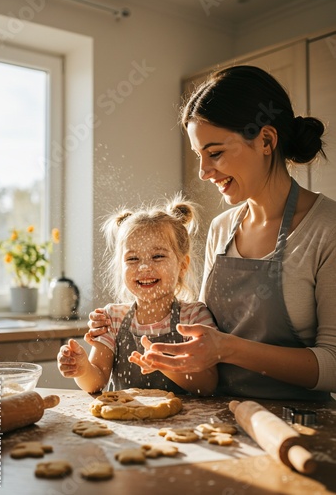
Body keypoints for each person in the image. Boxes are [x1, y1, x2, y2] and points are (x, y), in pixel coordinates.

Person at [136, 65, 336, 400]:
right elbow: (204, 336)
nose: (203, 172)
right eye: (200, 156)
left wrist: (227, 349)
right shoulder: (221, 228)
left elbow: (333, 366)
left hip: (299, 428)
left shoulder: (326, 229)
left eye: (215, 153)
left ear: (266, 140)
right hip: (218, 420)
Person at [57, 195, 218, 396]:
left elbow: (208, 385)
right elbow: (95, 382)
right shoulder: (112, 318)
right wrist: (81, 369)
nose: (144, 266)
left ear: (182, 265)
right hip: (126, 424)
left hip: (180, 425)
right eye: (132, 258)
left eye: (158, 256)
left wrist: (163, 364)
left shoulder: (194, 317)